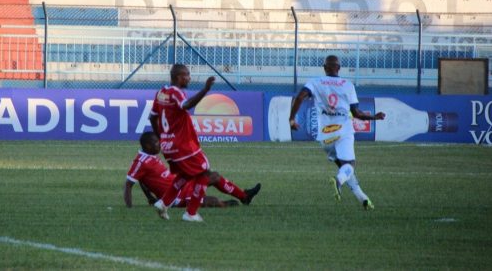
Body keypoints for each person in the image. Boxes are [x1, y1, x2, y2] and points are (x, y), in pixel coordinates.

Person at [149, 64, 261, 222]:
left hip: (169, 146)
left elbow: (152, 117)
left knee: (184, 175)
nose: (189, 77)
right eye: (187, 75)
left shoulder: (161, 93)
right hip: (183, 145)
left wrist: (162, 138)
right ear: (178, 77)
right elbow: (186, 105)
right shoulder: (175, 92)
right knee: (205, 173)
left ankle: (164, 203)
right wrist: (206, 89)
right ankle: (191, 213)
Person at [288, 55, 385, 210]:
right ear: (339, 68)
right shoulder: (347, 85)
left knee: (344, 167)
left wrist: (292, 119)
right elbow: (357, 113)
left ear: (324, 68)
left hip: (325, 136)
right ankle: (338, 181)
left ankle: (363, 199)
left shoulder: (315, 82)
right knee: (350, 165)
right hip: (343, 131)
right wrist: (375, 117)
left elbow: (299, 97)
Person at [124, 131, 241, 208]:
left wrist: (150, 198)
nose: (159, 144)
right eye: (156, 142)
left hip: (182, 185)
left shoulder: (151, 156)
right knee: (212, 201)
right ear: (148, 146)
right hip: (176, 198)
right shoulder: (140, 161)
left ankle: (244, 196)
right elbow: (129, 184)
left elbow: (141, 179)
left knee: (213, 176)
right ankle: (225, 204)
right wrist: (129, 208)